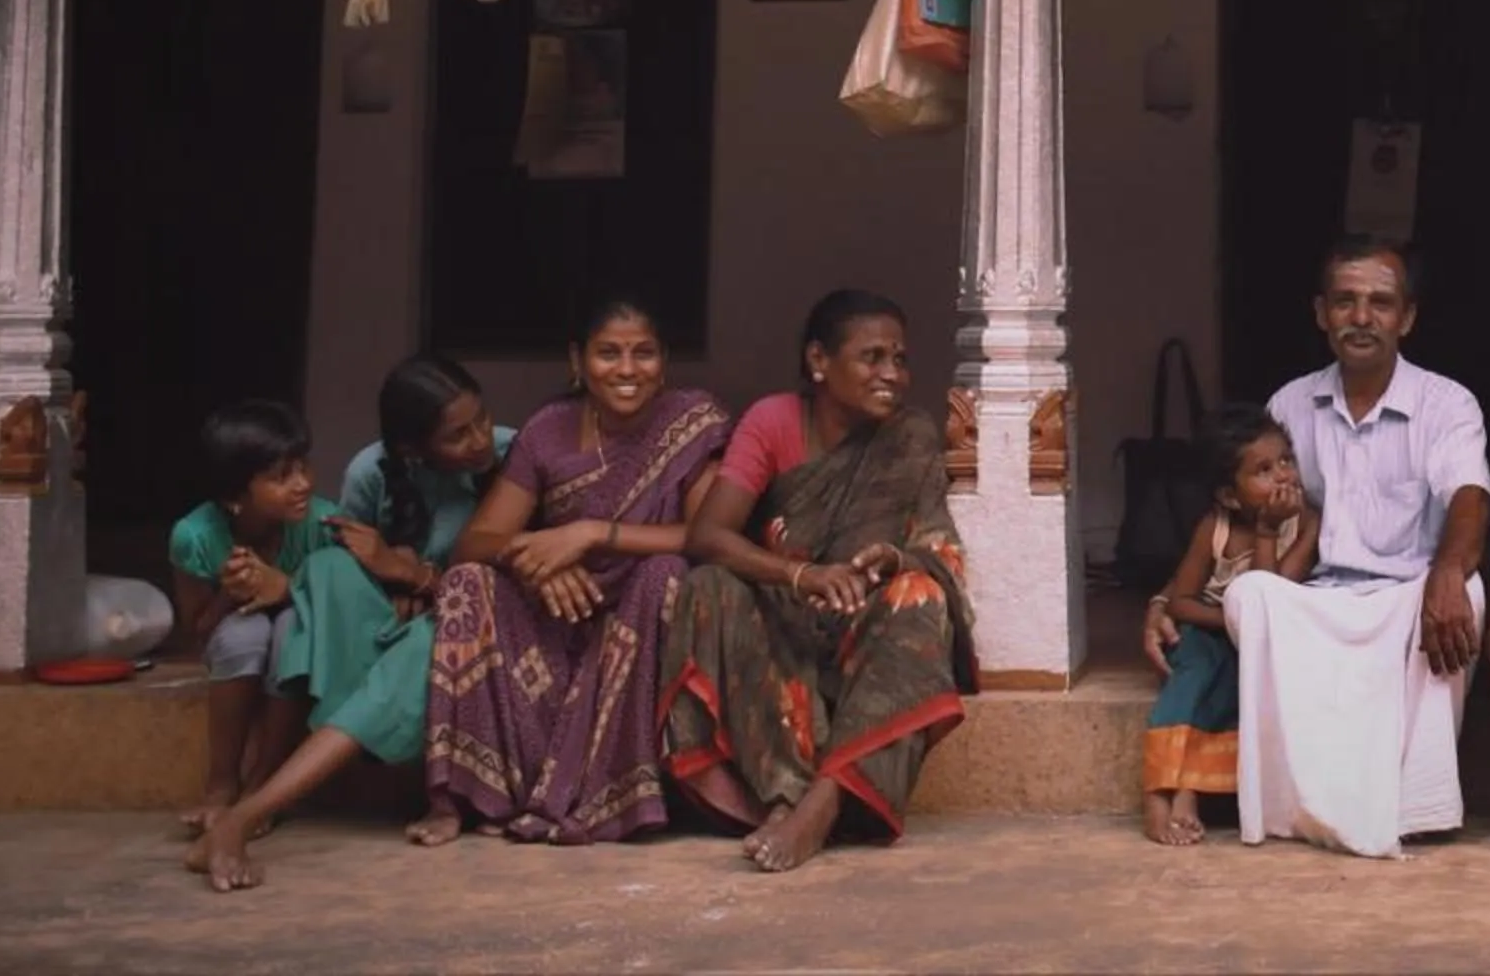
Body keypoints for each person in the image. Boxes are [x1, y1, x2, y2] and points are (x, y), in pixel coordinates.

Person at [1144, 236, 1490, 858]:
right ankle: (1291, 804)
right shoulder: (1290, 403)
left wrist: (1446, 572)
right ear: (1321, 313)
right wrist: (1164, 599)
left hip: (1407, 597)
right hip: (1316, 596)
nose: (1362, 317)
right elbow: (1240, 516)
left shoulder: (1446, 403)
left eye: (1381, 302)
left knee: (1468, 590)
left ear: (1407, 317)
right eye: (1345, 301)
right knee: (1251, 594)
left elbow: (1471, 496)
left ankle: (1418, 806)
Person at [662, 289, 974, 872]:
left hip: (864, 626)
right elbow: (707, 535)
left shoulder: (911, 435)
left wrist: (893, 559)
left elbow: (940, 549)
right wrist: (800, 575)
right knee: (709, 587)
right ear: (818, 361)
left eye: (899, 359)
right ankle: (782, 794)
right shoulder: (773, 420)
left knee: (921, 595)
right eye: (872, 357)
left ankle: (821, 804)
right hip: (785, 616)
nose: (892, 374)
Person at [186, 358, 514, 891]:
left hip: (469, 632)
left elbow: (507, 580)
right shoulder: (373, 470)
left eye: (482, 419)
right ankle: (355, 724)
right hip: (385, 626)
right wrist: (389, 580)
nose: (480, 440)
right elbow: (357, 570)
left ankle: (244, 814)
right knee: (327, 567)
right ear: (413, 448)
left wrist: (415, 576)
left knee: (428, 642)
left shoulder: (514, 455)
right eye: (457, 435)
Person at [416, 298, 729, 846]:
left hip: (643, 616)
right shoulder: (548, 431)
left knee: (666, 573)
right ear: (577, 361)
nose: (627, 369)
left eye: (643, 353)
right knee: (467, 583)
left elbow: (706, 535)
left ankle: (621, 795)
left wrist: (590, 534)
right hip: (560, 618)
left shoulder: (692, 423)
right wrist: (536, 561)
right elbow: (473, 543)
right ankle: (467, 797)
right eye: (609, 353)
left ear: (663, 362)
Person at [1139, 405, 1321, 846]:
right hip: (1209, 628)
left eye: (1286, 460)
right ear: (1230, 496)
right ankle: (1159, 791)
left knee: (1242, 682)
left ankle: (1190, 789)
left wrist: (1268, 532)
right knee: (1195, 675)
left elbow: (1270, 598)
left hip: (1265, 640)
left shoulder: (1306, 523)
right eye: (1263, 470)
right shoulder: (1214, 528)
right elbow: (1181, 602)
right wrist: (1230, 622)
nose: (1283, 475)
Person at [168, 400, 334, 843]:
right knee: (245, 632)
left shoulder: (322, 525)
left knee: (289, 628)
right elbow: (198, 629)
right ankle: (222, 783)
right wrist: (229, 593)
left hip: (300, 640)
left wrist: (287, 589)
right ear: (234, 497)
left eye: (302, 467)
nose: (302, 484)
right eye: (282, 477)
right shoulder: (195, 536)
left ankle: (263, 782)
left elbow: (337, 609)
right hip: (234, 638)